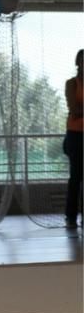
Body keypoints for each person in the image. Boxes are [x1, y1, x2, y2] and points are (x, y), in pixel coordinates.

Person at [64, 49, 83, 230]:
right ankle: (70, 216)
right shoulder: (72, 84)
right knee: (76, 176)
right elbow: (74, 110)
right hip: (75, 135)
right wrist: (78, 110)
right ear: (78, 63)